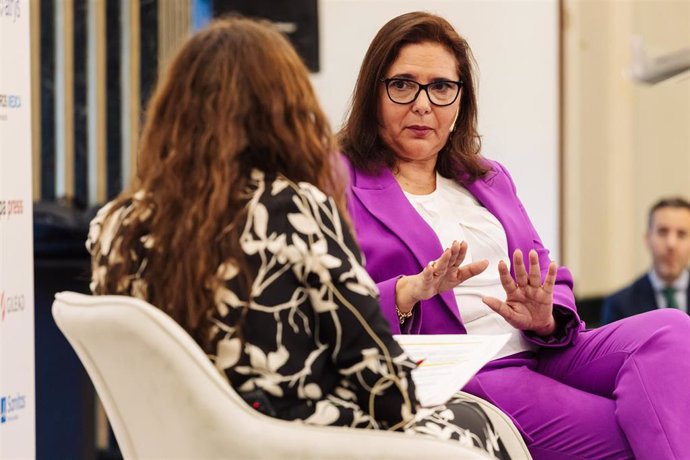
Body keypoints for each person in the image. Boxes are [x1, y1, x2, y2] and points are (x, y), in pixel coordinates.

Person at [85, 17, 509, 459]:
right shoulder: (292, 210)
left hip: (176, 442)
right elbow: (384, 385)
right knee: (475, 421)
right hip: (286, 441)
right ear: (284, 112)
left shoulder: (114, 225)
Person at [338, 11, 690, 460]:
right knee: (630, 430)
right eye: (403, 84)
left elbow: (547, 272)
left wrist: (544, 316)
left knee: (671, 331)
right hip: (473, 363)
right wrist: (409, 291)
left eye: (442, 87)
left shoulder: (486, 178)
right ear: (375, 93)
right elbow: (328, 307)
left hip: (544, 345)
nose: (423, 104)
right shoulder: (339, 181)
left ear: (461, 100)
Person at [602, 197, 690, 324]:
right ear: (647, 238)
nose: (671, 244)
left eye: (681, 234)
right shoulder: (619, 305)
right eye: (662, 232)